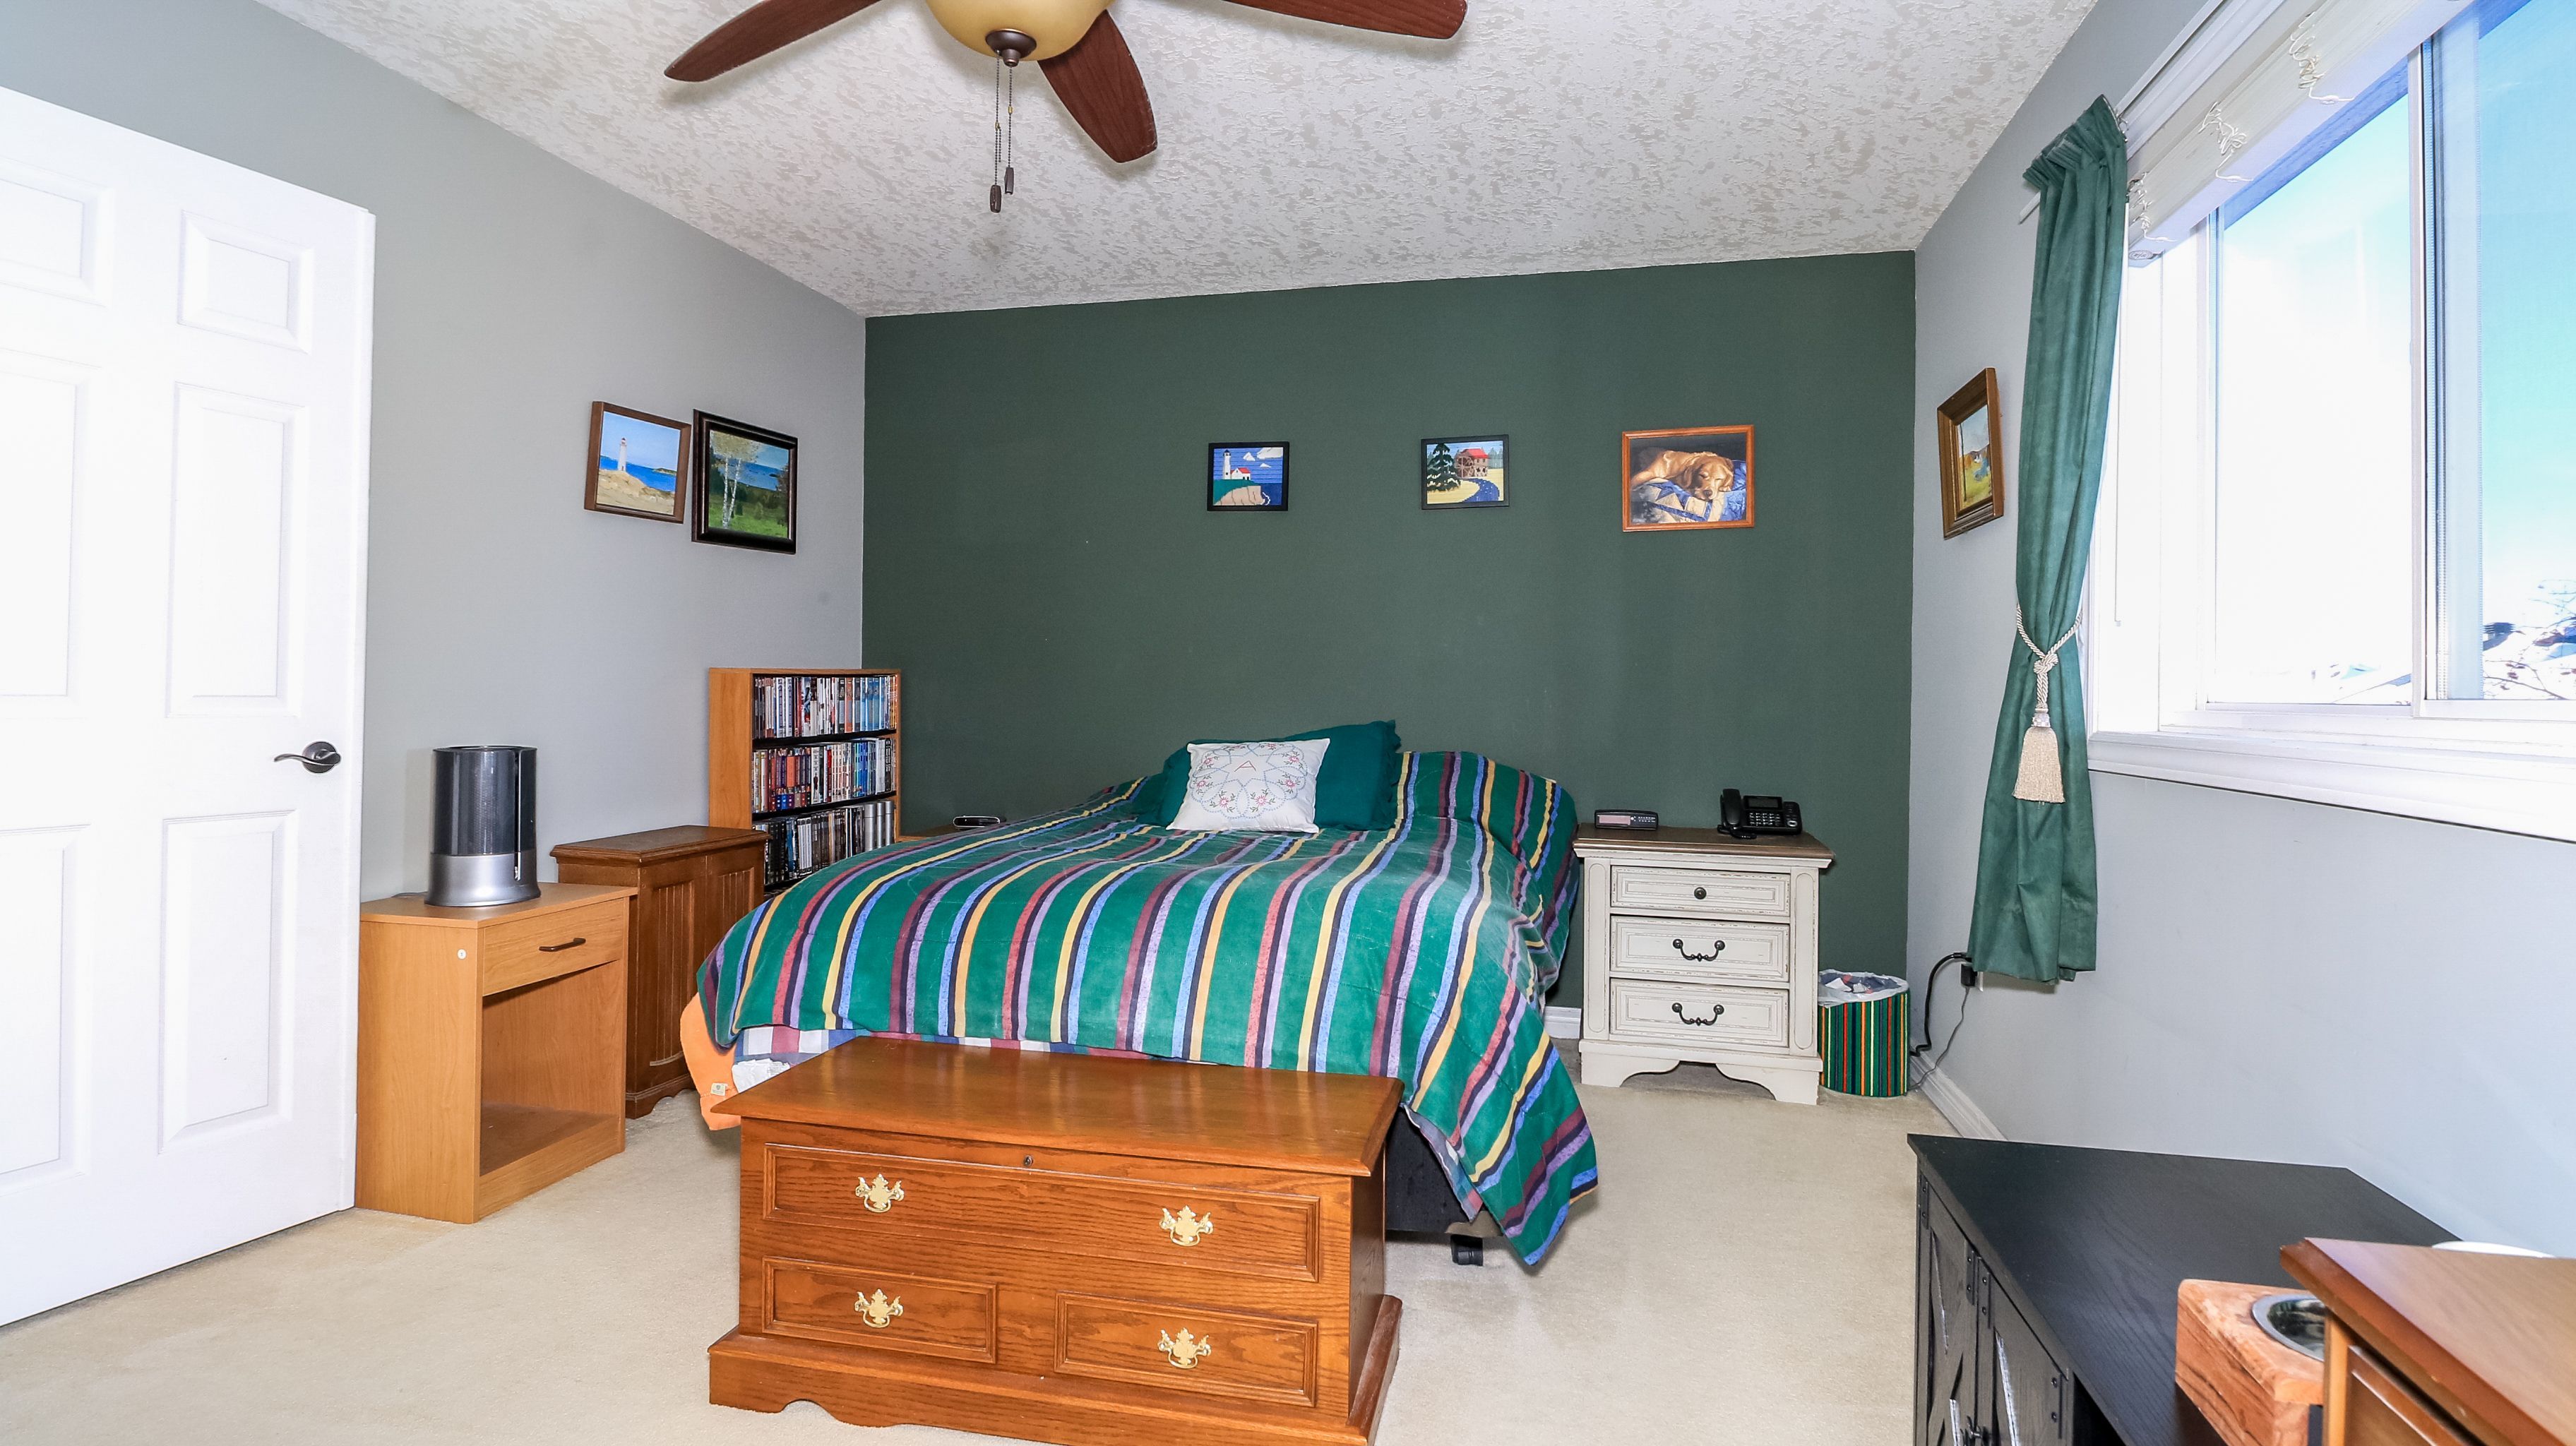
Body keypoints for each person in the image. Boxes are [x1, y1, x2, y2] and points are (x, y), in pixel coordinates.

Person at [1628, 448, 1745, 525]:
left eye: (1718, 480)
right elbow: (1639, 478)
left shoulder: (1726, 472)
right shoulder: (1666, 462)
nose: (1710, 488)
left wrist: (1726, 484)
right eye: (1703, 476)